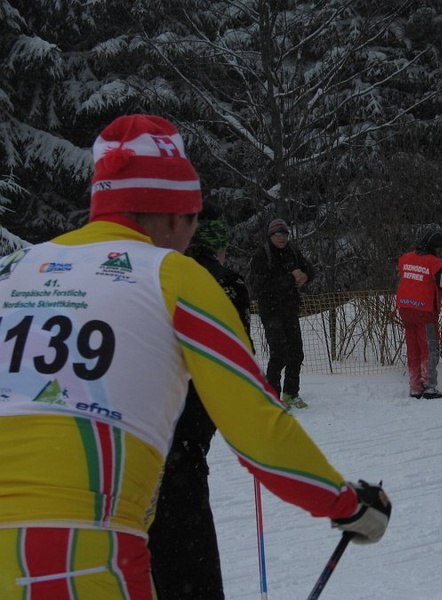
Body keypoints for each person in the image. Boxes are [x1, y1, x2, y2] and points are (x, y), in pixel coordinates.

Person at [0, 114, 390, 600]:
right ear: (174, 215)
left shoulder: (12, 268)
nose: (191, 238)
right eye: (193, 220)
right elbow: (259, 430)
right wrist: (348, 505)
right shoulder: (171, 275)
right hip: (75, 561)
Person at [148, 216, 249, 600]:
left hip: (141, 428)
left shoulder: (156, 275)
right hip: (187, 430)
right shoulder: (226, 283)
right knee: (185, 545)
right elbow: (237, 360)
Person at [249, 218, 314, 409]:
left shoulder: (293, 251)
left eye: (285, 233)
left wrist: (305, 276)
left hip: (290, 309)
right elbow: (258, 286)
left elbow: (310, 270)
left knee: (296, 352)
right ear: (270, 235)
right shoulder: (262, 255)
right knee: (279, 353)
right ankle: (272, 397)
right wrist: (289, 279)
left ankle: (291, 393)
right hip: (270, 311)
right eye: (278, 234)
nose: (282, 237)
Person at [396, 228, 442, 399]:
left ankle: (415, 387)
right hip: (424, 311)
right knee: (428, 349)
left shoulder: (405, 258)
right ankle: (429, 387)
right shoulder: (435, 263)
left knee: (413, 349)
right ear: (434, 247)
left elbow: (405, 276)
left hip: (405, 309)